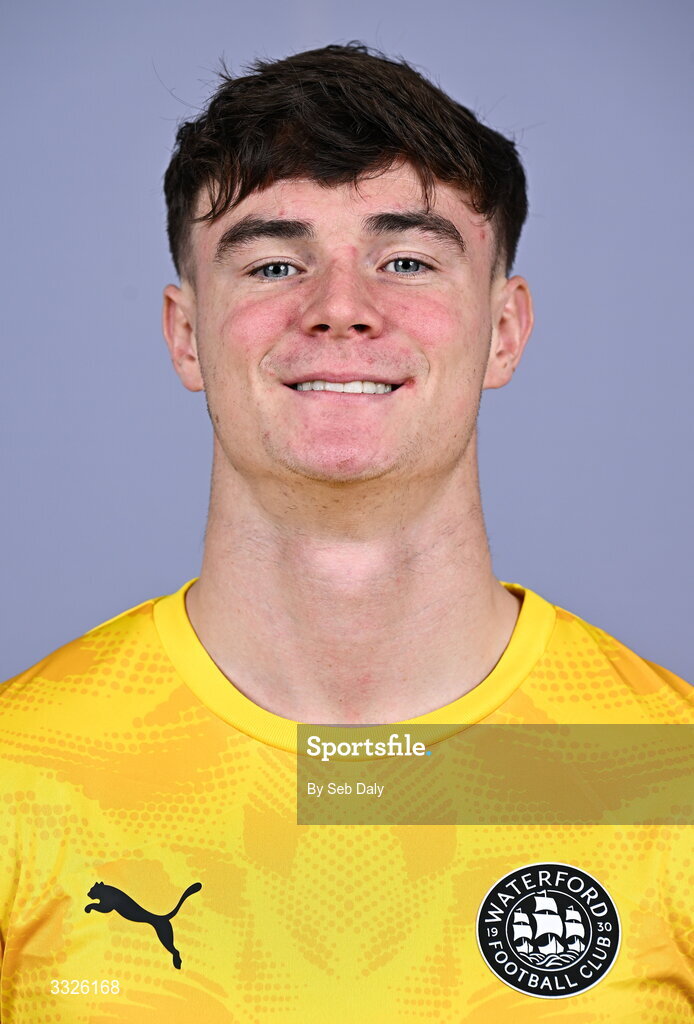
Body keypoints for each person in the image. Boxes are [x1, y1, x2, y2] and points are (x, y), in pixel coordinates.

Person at [1, 42, 691, 1023]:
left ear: (503, 329)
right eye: (275, 262)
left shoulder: (671, 772)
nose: (338, 309)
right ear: (185, 332)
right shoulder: (18, 771)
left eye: (405, 259)